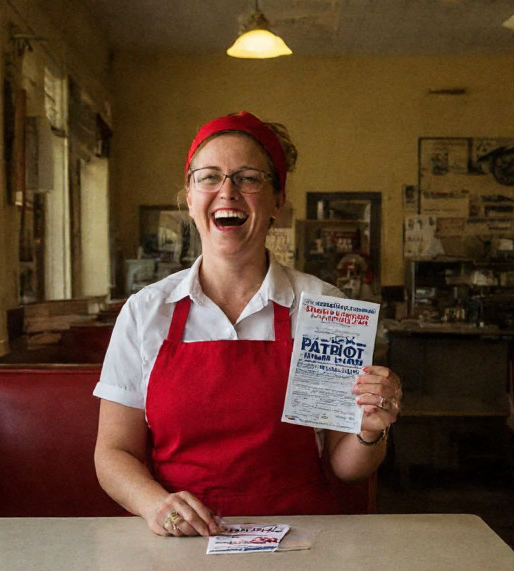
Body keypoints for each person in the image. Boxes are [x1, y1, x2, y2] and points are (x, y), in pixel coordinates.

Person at [93, 111, 402, 537]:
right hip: (180, 540)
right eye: (209, 177)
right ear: (188, 196)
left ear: (278, 201)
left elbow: (345, 468)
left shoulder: (324, 307)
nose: (227, 192)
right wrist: (155, 505)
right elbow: (113, 452)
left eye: (249, 178)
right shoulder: (146, 311)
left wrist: (369, 431)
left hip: (300, 537)